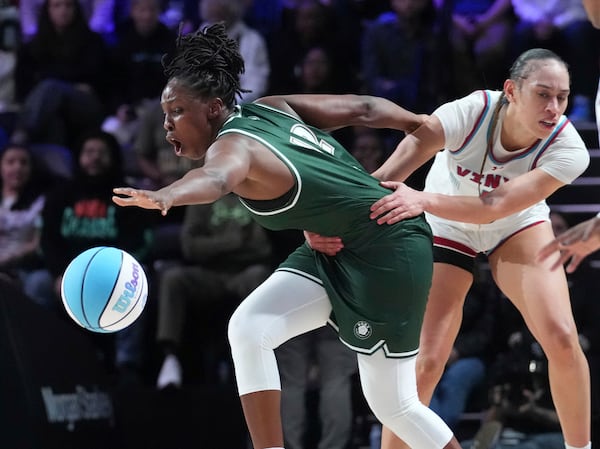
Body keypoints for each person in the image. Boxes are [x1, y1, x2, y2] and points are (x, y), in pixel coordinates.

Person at [112, 23, 464, 449]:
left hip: (387, 250)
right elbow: (365, 108)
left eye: (177, 112)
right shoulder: (271, 107)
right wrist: (417, 123)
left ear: (213, 107)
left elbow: (216, 179)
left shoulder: (231, 147)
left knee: (395, 405)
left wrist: (165, 195)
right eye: (166, 115)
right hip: (337, 244)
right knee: (248, 326)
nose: (167, 126)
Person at [306, 48, 592, 449]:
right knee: (425, 363)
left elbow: (495, 207)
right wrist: (331, 219)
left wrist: (422, 200)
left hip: (514, 225)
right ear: (511, 90)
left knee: (562, 338)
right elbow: (388, 175)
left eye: (562, 97)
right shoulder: (469, 112)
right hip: (447, 225)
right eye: (544, 94)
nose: (554, 107)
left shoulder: (569, 148)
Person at [39, 129, 155, 386]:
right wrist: (58, 274)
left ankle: (127, 365)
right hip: (67, 273)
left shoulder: (128, 195)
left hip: (114, 272)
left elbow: (141, 241)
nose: (95, 158)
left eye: (102, 153)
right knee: (36, 284)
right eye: (90, 152)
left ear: (113, 158)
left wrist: (117, 271)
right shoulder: (60, 195)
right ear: (79, 157)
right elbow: (47, 241)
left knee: (139, 283)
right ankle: (43, 359)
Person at [155, 193, 273, 389]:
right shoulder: (201, 197)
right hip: (208, 273)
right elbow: (190, 247)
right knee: (173, 279)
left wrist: (213, 245)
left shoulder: (256, 196)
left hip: (242, 273)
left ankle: (260, 356)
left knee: (260, 276)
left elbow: (263, 249)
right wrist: (231, 242)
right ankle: (170, 358)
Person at [276, 326, 358, 449]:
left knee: (291, 383)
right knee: (336, 381)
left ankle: (287, 446)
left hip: (292, 314)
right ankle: (333, 446)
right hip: (336, 315)